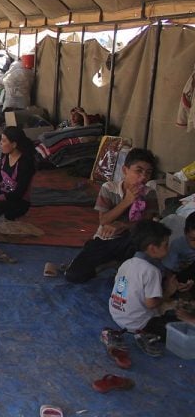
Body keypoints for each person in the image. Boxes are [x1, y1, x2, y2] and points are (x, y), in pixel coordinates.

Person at [65, 148, 160, 284]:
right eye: (138, 171)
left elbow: (147, 224)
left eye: (148, 172)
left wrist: (124, 225)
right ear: (125, 170)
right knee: (74, 275)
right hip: (106, 239)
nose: (143, 177)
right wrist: (127, 201)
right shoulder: (109, 188)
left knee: (140, 245)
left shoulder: (149, 193)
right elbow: (104, 220)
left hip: (130, 241)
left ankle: (120, 263)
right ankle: (111, 263)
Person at [108, 220, 188, 356]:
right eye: (166, 245)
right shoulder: (151, 271)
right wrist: (168, 292)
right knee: (179, 328)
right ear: (152, 249)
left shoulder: (127, 263)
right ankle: (144, 335)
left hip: (117, 314)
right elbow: (151, 304)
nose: (168, 248)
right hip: (138, 323)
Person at [162, 211, 195, 289]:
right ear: (185, 233)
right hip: (180, 271)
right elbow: (168, 268)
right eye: (193, 239)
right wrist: (173, 282)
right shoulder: (177, 245)